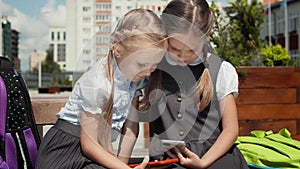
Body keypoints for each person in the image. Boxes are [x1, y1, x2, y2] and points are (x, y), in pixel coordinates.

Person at [35, 8, 168, 169]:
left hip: (96, 154)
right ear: (118, 50)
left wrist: (121, 164)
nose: (148, 72)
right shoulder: (98, 83)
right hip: (65, 154)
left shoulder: (135, 79)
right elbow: (89, 146)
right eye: (142, 64)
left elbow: (131, 127)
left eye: (154, 65)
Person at [138, 0, 249, 168]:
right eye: (174, 48)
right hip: (168, 157)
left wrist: (203, 163)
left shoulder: (220, 70)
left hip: (214, 156)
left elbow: (231, 130)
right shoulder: (152, 68)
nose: (182, 56)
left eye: (191, 50)